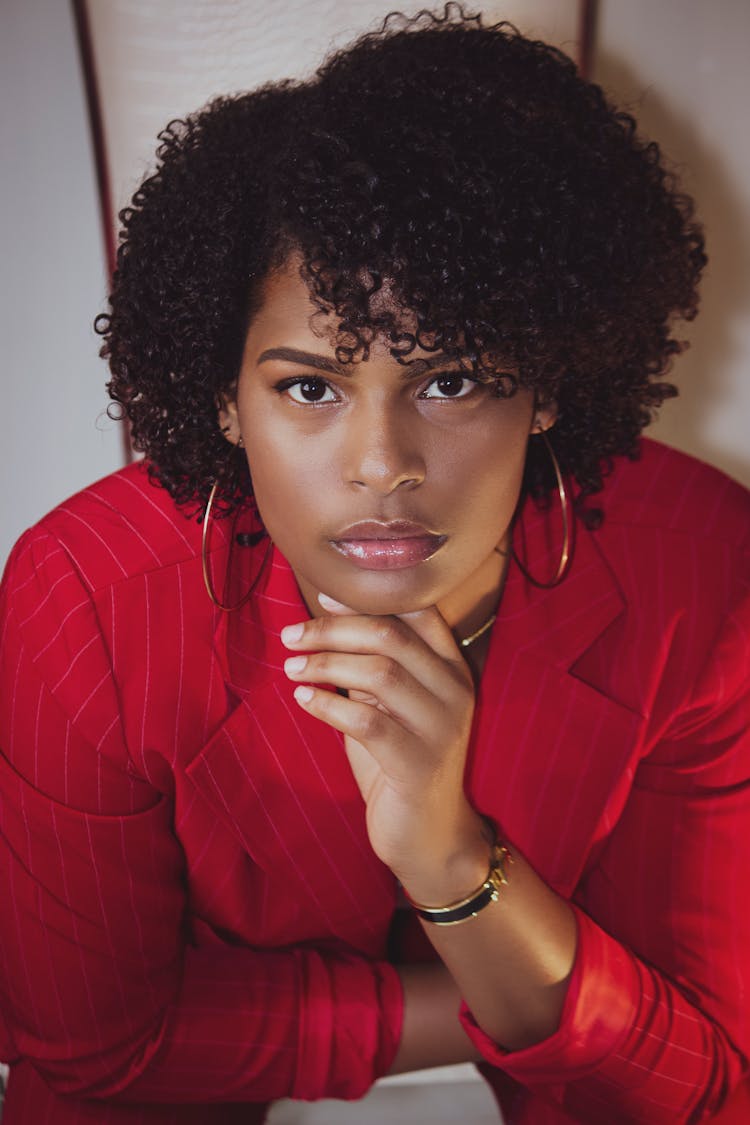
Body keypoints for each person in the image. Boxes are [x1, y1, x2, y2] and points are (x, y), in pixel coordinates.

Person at [1, 5, 748, 1122]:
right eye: (310, 386)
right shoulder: (89, 605)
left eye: (449, 380)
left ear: (546, 382)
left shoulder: (698, 576)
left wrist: (450, 859)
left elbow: (702, 1079)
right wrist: (497, 997)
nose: (384, 464)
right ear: (224, 397)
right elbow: (89, 1053)